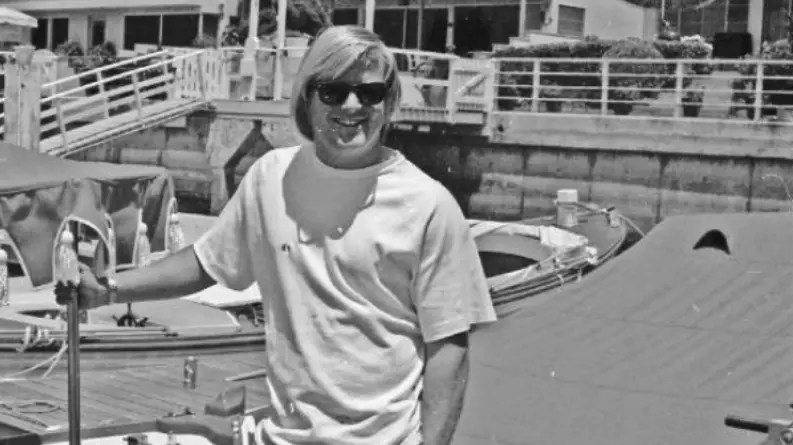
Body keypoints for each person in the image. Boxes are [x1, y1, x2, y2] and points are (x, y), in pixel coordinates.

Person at [57, 25, 496, 445]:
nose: (350, 106)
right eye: (333, 91)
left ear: (389, 101)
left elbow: (449, 347)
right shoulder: (270, 177)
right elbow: (207, 262)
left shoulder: (429, 204)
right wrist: (109, 289)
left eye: (369, 92)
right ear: (307, 99)